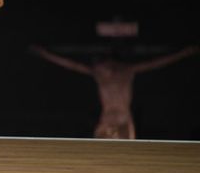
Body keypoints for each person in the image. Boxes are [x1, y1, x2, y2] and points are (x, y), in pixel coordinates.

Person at [31, 44, 198, 139]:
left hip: (123, 120)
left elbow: (157, 62)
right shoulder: (103, 71)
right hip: (109, 120)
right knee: (104, 156)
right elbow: (70, 64)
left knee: (126, 156)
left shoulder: (125, 70)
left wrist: (184, 52)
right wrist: (45, 54)